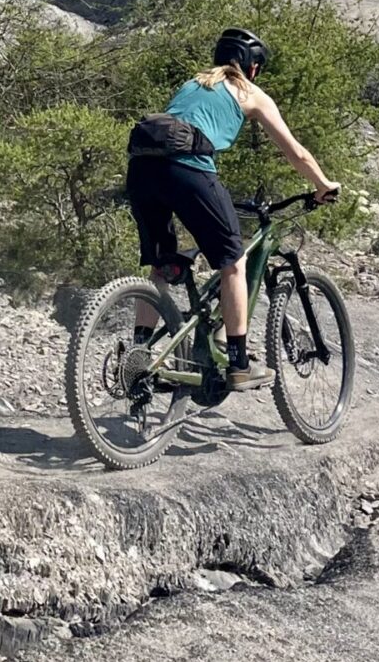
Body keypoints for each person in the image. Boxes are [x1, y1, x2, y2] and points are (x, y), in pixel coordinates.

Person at [126, 28, 340, 390]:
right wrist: (323, 185)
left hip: (141, 170)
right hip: (189, 170)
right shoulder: (250, 93)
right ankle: (239, 364)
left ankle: (137, 356)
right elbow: (296, 153)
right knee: (234, 262)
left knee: (161, 267)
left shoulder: (194, 82)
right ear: (252, 67)